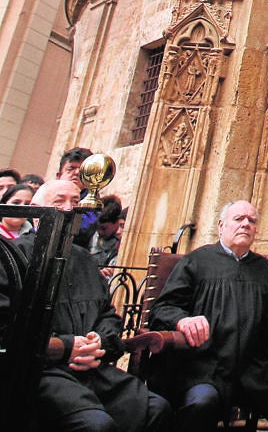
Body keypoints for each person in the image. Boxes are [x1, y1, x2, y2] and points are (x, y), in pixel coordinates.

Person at [2, 180, 174, 432]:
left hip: (93, 370)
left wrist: (98, 342)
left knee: (157, 409)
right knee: (95, 425)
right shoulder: (11, 256)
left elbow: (108, 315)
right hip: (40, 372)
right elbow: (7, 331)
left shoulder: (84, 259)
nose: (69, 209)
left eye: (76, 202)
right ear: (36, 210)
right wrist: (66, 347)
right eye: (59, 202)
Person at [148, 199, 268, 432]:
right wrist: (183, 320)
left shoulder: (265, 271)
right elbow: (163, 309)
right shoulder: (196, 262)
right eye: (239, 219)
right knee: (201, 403)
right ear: (221, 226)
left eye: (251, 221)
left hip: (254, 366)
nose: (246, 224)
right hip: (204, 365)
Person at [89, 196, 126, 271]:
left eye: (104, 228)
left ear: (117, 222)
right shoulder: (91, 236)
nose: (100, 232)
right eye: (97, 228)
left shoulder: (122, 239)